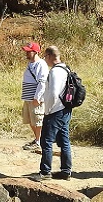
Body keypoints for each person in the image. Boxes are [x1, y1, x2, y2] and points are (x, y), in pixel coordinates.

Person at [34, 45, 72, 181]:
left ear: (50, 56)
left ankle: (45, 172)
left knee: (47, 141)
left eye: (46, 57)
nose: (45, 60)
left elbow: (54, 93)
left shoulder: (56, 71)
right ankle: (66, 171)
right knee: (64, 141)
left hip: (55, 111)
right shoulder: (66, 68)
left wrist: (47, 111)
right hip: (65, 110)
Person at [20, 41, 47, 151]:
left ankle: (39, 141)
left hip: (35, 98)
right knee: (30, 120)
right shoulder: (30, 64)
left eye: (29, 51)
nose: (26, 53)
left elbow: (42, 82)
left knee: (38, 120)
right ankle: (37, 140)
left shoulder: (41, 64)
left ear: (35, 52)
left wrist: (37, 97)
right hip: (27, 96)